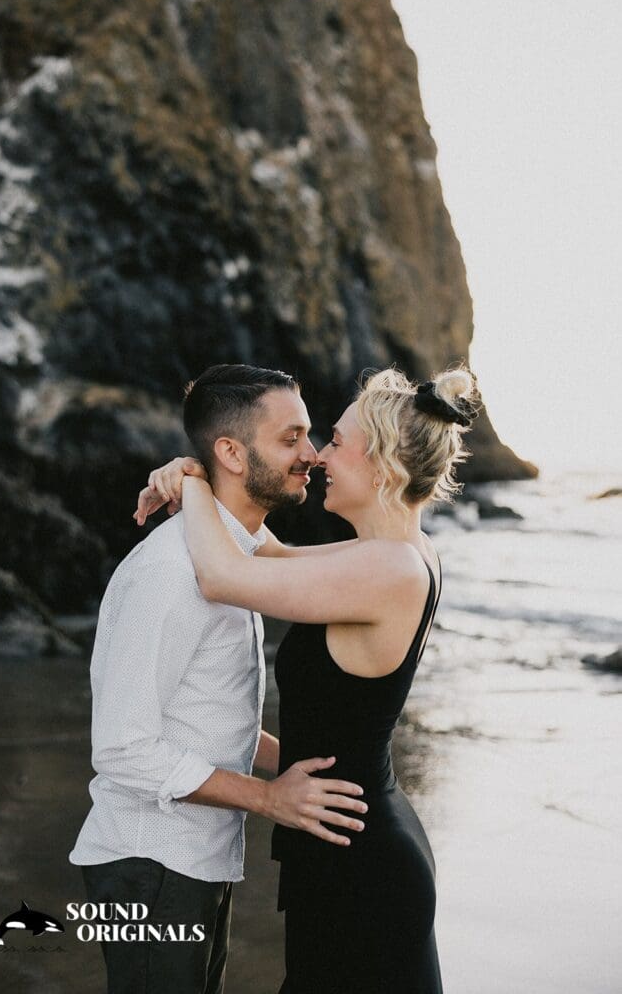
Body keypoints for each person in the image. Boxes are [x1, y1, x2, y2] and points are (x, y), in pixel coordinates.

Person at [137, 364, 479, 994]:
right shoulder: (396, 551)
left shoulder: (391, 569)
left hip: (361, 864)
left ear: (381, 466)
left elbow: (223, 577)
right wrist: (204, 480)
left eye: (339, 443)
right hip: (351, 839)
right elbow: (272, 556)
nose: (319, 456)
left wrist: (191, 488)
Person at [70, 364, 368, 994]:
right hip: (146, 866)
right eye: (291, 439)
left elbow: (209, 709)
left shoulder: (237, 556)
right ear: (230, 453)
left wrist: (299, 770)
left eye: (310, 437)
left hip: (193, 858)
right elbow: (123, 748)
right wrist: (268, 798)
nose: (311, 457)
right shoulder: (170, 573)